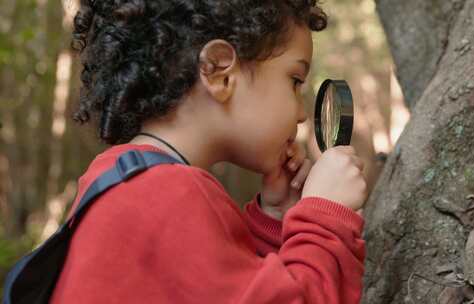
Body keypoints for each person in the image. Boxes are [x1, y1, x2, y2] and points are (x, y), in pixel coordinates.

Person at [50, 0, 369, 303]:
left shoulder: (119, 177)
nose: (301, 113)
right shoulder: (171, 195)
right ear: (219, 72)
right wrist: (326, 215)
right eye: (295, 80)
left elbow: (217, 289)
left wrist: (274, 220)